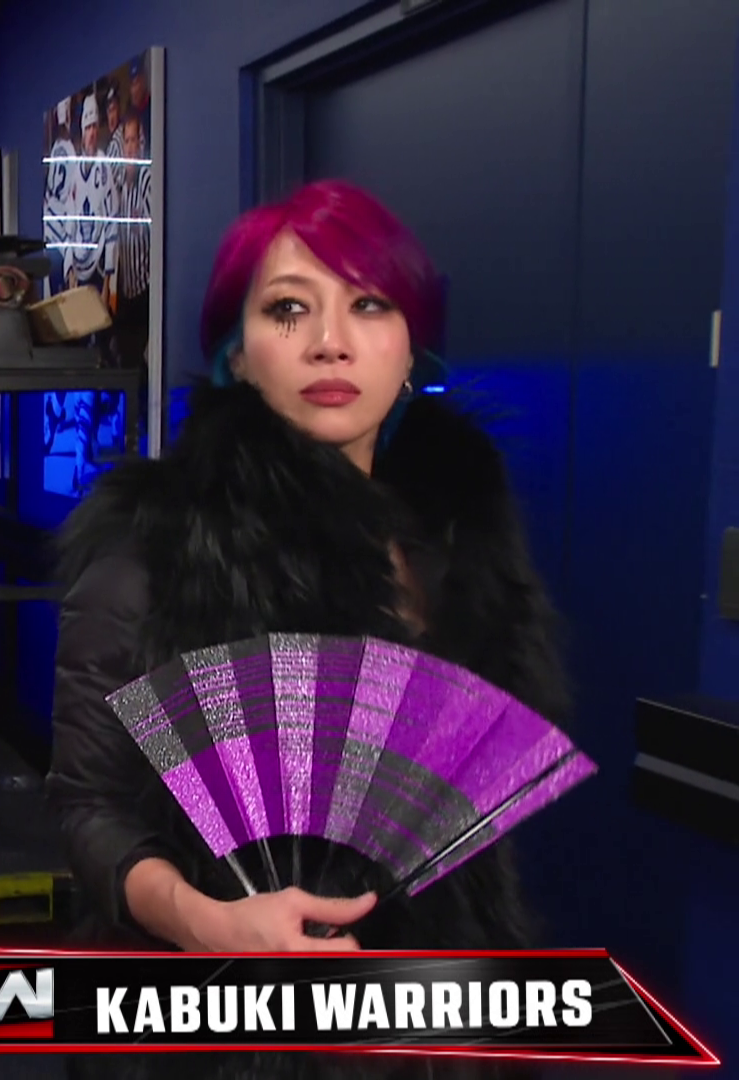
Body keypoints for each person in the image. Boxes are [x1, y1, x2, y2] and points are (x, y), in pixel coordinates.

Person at [48, 180, 570, 1079]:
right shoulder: (158, 550)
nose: (331, 340)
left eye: (369, 305)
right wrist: (205, 921)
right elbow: (87, 805)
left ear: (410, 347)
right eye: (288, 309)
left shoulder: (462, 544)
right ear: (237, 354)